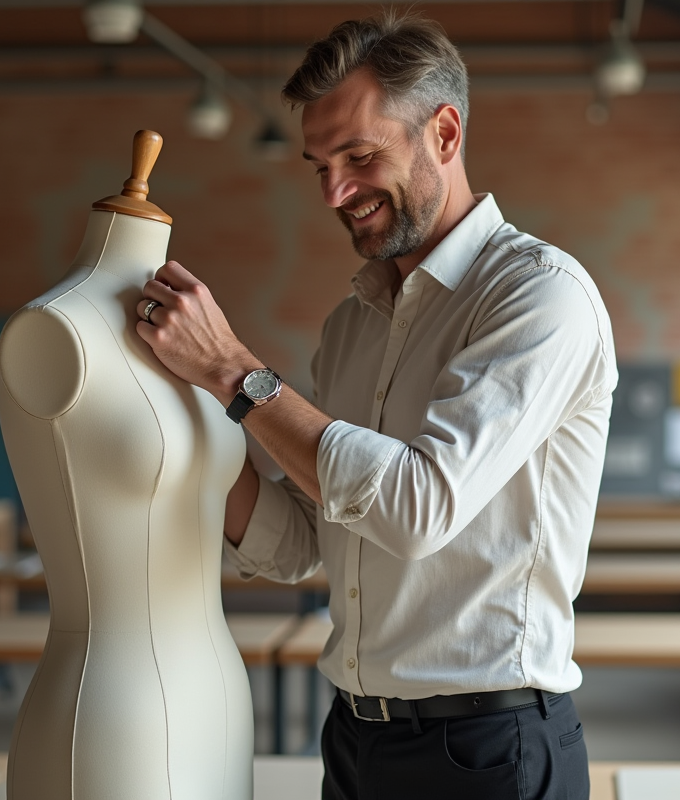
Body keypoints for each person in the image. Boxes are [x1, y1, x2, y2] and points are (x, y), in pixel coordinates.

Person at [135, 12, 616, 800]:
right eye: (319, 165)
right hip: (356, 739)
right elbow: (300, 543)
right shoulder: (353, 322)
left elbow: (415, 507)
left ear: (446, 134)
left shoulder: (540, 297)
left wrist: (231, 371)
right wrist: (182, 412)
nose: (334, 192)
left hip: (489, 750)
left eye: (359, 157)